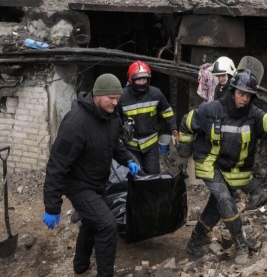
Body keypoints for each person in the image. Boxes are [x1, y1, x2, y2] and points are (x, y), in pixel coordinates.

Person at [178, 69, 267, 265]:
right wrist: (184, 155)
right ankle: (240, 244)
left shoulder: (254, 116)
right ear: (233, 91)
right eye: (241, 94)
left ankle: (194, 241)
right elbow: (186, 123)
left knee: (216, 207)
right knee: (225, 200)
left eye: (249, 96)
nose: (244, 99)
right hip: (209, 164)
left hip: (233, 170)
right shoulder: (210, 111)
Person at [42, 73, 140, 277]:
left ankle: (81, 265)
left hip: (97, 182)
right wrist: (52, 205)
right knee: (107, 225)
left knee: (91, 223)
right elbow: (56, 165)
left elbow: (116, 145)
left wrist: (129, 159)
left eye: (118, 98)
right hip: (77, 184)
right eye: (111, 98)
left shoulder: (111, 116)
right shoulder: (75, 123)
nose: (116, 102)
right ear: (97, 95)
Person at [118, 61, 179, 175]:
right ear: (131, 79)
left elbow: (167, 112)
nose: (142, 82)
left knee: (153, 175)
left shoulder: (156, 93)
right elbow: (113, 118)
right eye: (138, 79)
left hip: (150, 144)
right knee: (134, 176)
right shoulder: (121, 96)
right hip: (131, 145)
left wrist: (174, 129)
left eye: (144, 79)